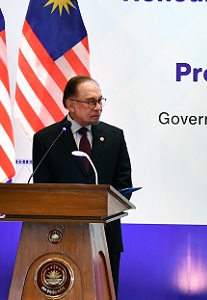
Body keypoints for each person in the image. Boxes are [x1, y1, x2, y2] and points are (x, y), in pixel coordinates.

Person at [31, 75, 133, 296]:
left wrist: (107, 214)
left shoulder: (114, 136)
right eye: (91, 102)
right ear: (71, 105)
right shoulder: (47, 139)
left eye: (100, 100)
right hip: (62, 237)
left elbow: (124, 185)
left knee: (104, 293)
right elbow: (43, 190)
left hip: (106, 237)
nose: (98, 107)